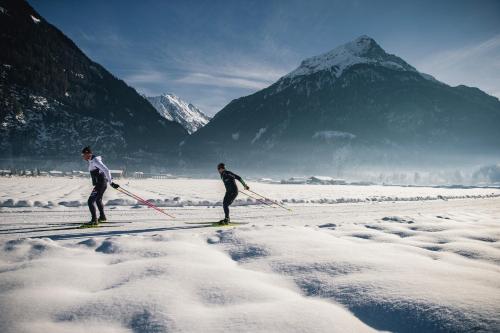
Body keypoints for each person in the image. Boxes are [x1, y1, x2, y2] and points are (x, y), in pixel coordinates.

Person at [81, 146, 119, 227]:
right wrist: (109, 179)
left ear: (88, 153)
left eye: (83, 154)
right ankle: (102, 217)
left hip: (100, 184)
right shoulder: (92, 160)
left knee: (90, 201)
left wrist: (111, 182)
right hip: (101, 183)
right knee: (98, 200)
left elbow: (106, 170)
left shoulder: (95, 160)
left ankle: (94, 220)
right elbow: (102, 171)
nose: (83, 156)